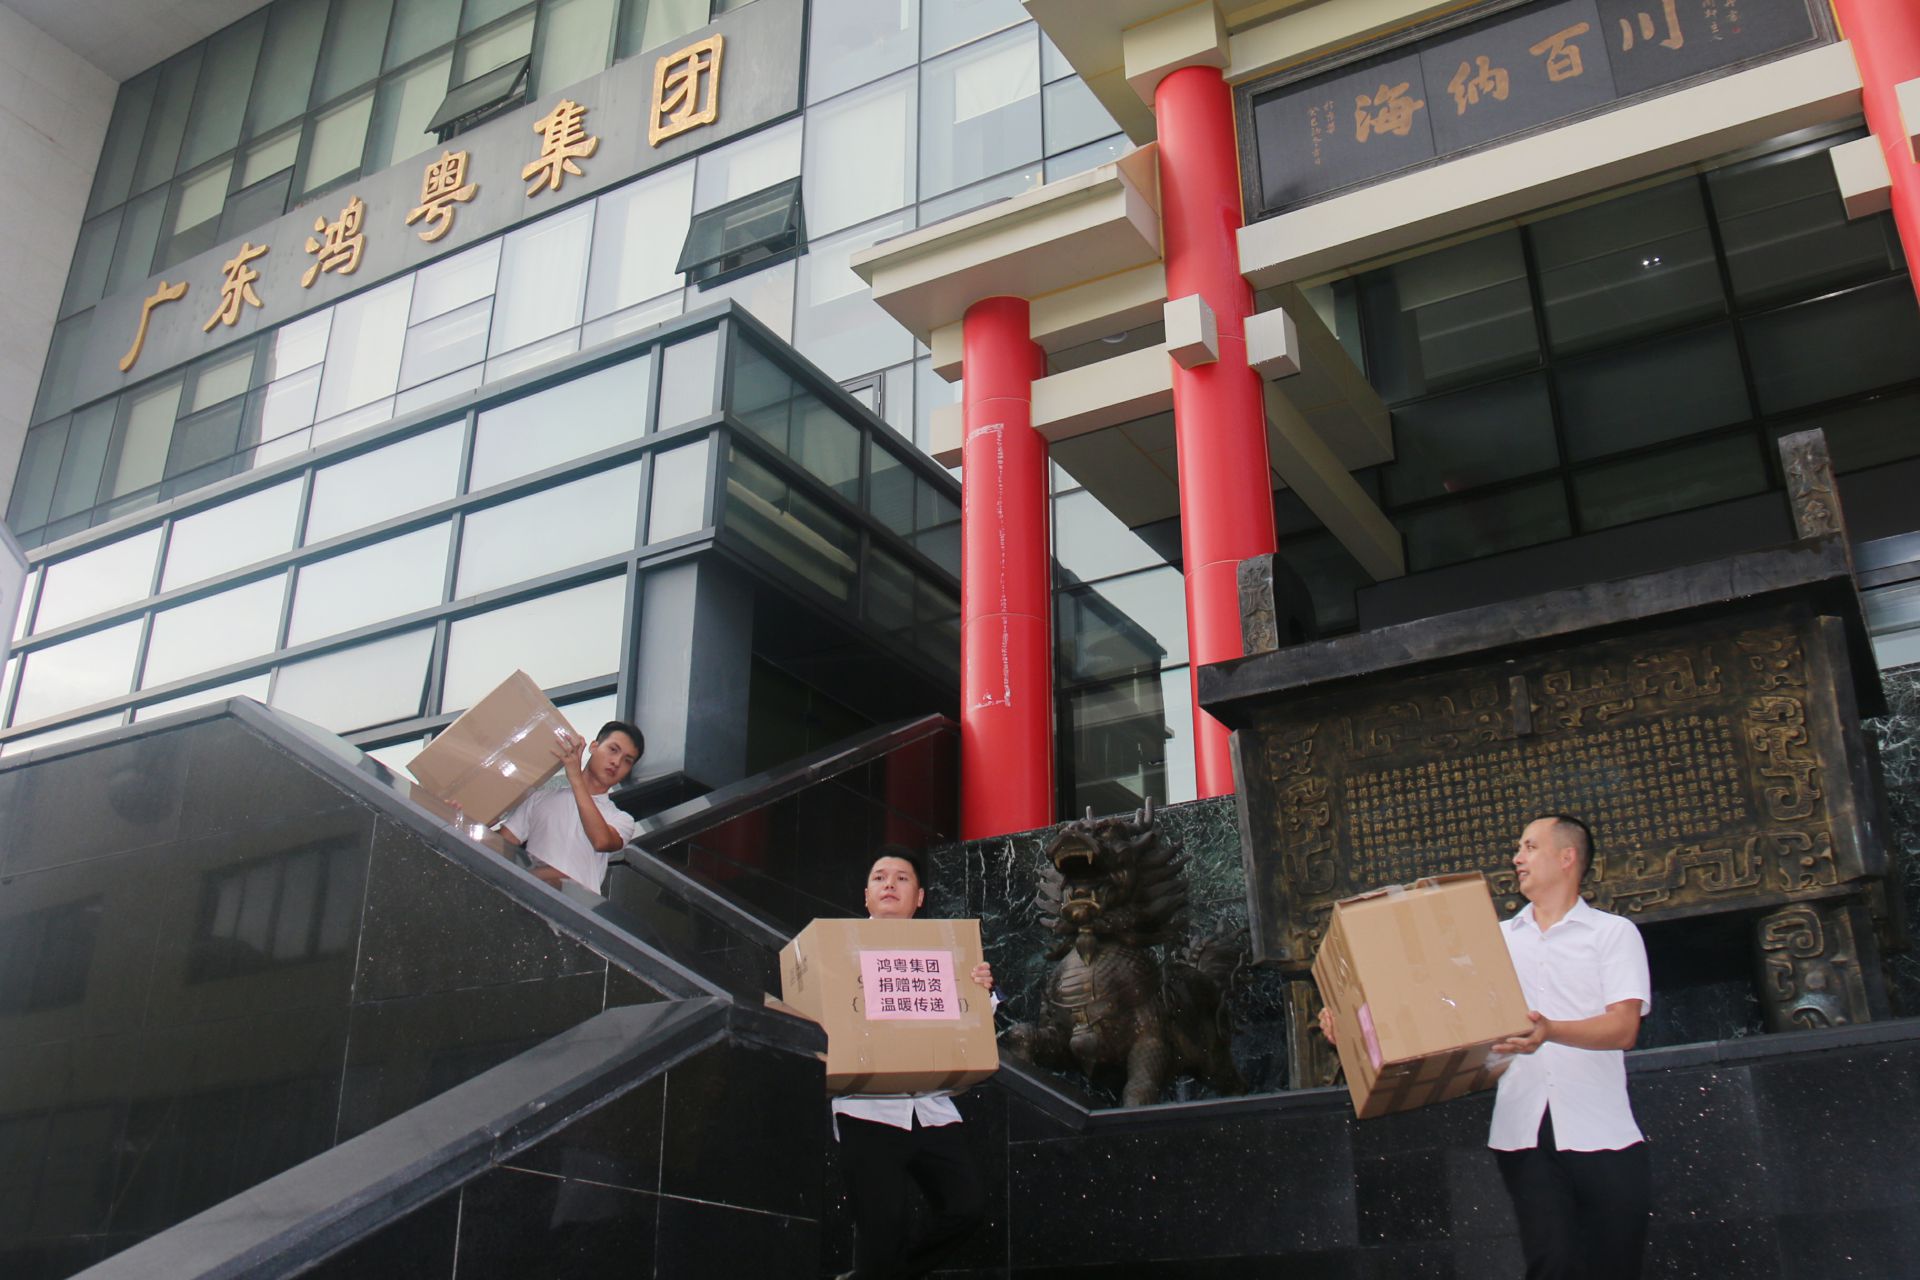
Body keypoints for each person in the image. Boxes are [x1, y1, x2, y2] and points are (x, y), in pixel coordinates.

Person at [1322, 814, 1651, 1279]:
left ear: (1567, 856)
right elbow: (1431, 1010)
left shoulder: (1612, 934)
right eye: (1518, 848)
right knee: (1551, 1264)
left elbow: (1623, 1029)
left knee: (1615, 1267)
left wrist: (1550, 1031)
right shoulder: (1493, 940)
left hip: (1606, 1134)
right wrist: (1353, 1030)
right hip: (1524, 1134)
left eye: (1530, 847)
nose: (1517, 858)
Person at [831, 845, 995, 1280]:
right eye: (880, 877)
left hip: (932, 1108)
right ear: (866, 895)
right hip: (865, 1108)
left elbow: (980, 1025)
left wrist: (980, 987)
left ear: (919, 897)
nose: (890, 884)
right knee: (882, 1228)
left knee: (967, 1207)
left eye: (902, 878)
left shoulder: (950, 952)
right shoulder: (836, 951)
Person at [495, 720, 643, 893]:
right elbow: (500, 845)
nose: (616, 762)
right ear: (594, 747)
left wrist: (575, 777)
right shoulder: (540, 799)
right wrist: (464, 823)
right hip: (529, 901)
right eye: (613, 750)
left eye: (627, 760)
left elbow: (601, 841)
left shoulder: (622, 819)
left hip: (577, 914)